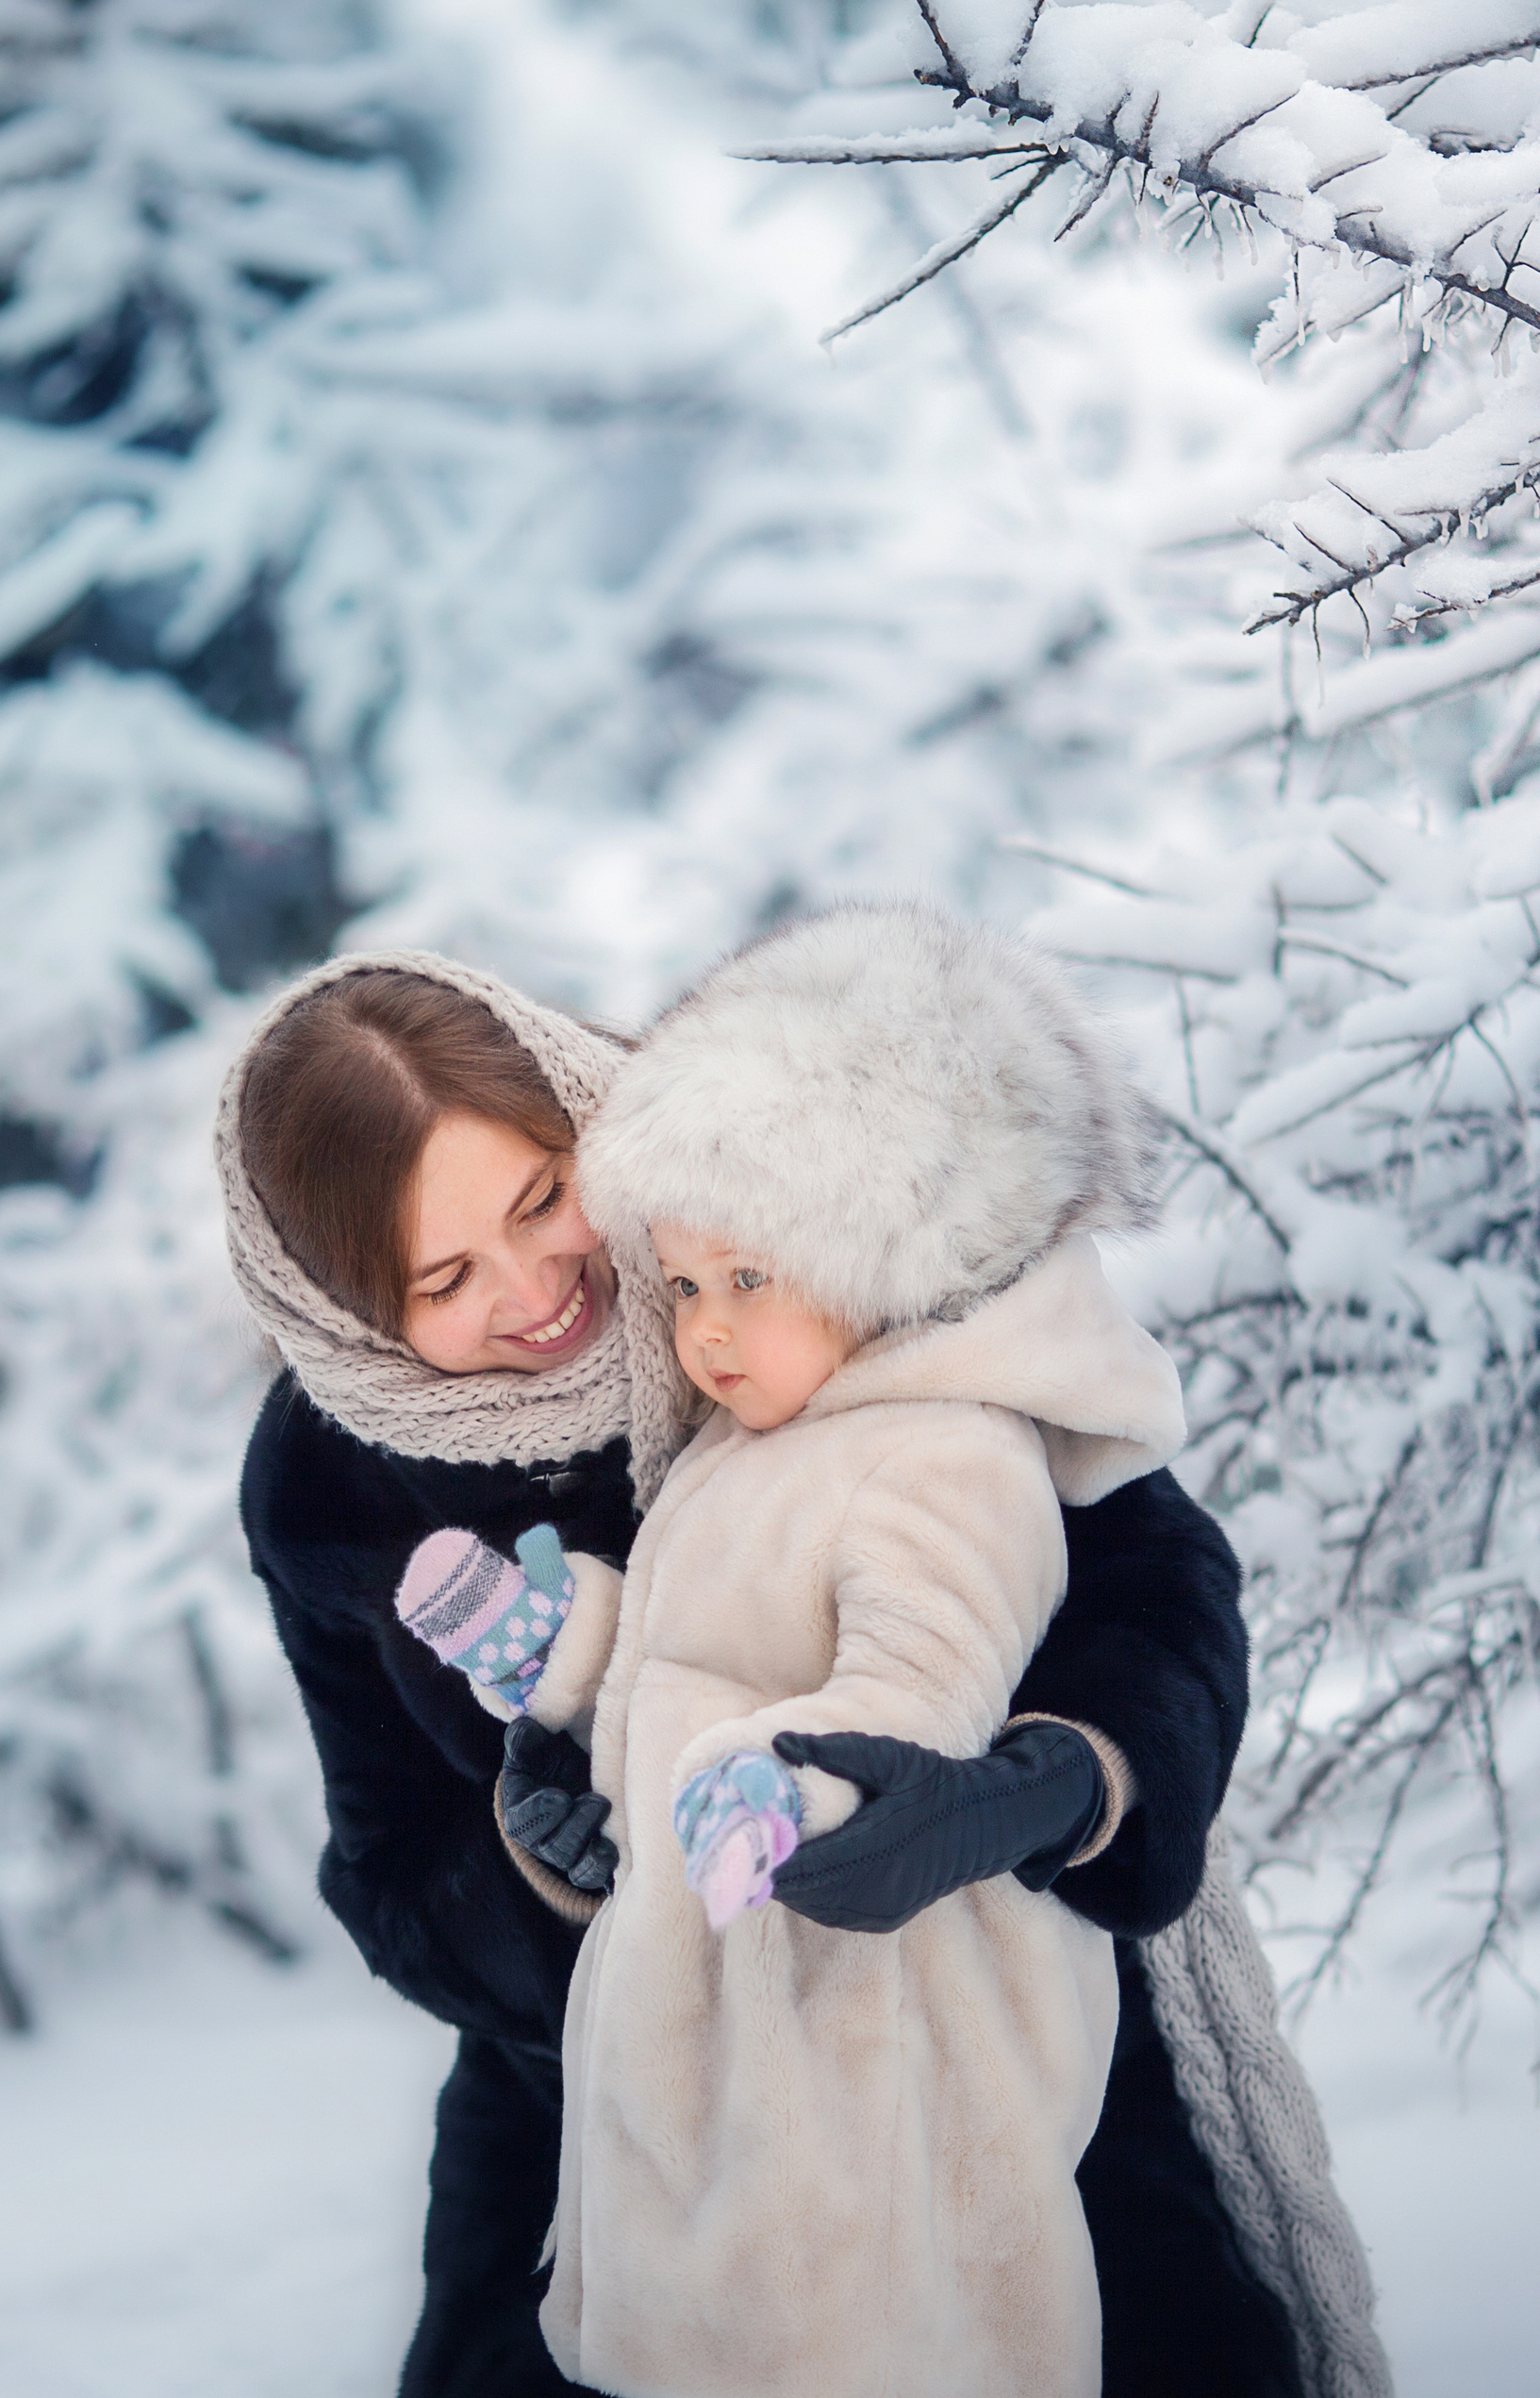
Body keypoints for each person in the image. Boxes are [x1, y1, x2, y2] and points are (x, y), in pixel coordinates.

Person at [218, 944, 1388, 2398]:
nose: (537, 1290)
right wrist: (538, 1879)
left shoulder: (781, 1202)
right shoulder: (334, 1491)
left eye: (542, 1198)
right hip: (629, 2118)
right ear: (348, 1313)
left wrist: (1050, 1782)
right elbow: (391, 1874)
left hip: (998, 2020)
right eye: (446, 1278)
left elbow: (1147, 1572)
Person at [394, 907, 1192, 2394]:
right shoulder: (749, 1444)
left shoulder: (943, 1458)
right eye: (684, 1286)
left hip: (863, 2021)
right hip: (715, 2026)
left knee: (861, 2327)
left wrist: (793, 1792)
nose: (697, 1331)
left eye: (749, 1278)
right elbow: (693, 1658)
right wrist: (562, 1653)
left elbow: (913, 1688)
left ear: (876, 1248)